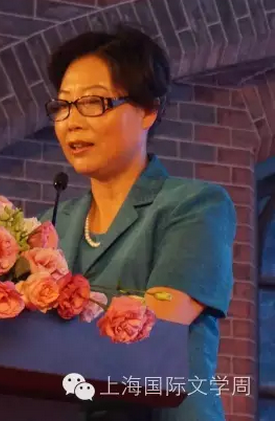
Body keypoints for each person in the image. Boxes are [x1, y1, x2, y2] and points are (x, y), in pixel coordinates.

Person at [38, 26, 236, 421]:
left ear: (148, 110)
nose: (71, 122)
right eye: (63, 106)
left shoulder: (195, 207)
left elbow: (155, 325)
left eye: (92, 102)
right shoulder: (52, 224)